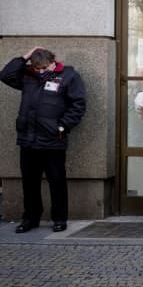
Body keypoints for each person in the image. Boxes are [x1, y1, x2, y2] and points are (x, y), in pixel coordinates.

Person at [1, 47, 86, 234]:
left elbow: (78, 104)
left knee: (57, 181)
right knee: (29, 182)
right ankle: (30, 218)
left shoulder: (68, 76)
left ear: (53, 63)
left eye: (44, 68)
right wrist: (25, 56)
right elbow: (5, 75)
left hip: (53, 139)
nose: (40, 72)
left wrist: (63, 126)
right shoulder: (27, 76)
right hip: (28, 139)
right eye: (37, 68)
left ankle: (59, 219)